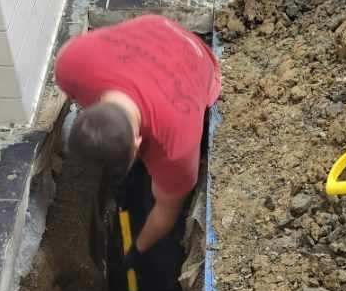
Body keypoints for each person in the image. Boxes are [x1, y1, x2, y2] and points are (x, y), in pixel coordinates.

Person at [54, 14, 221, 270]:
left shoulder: (177, 143)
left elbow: (166, 213)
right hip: (150, 31)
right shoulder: (70, 66)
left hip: (191, 57)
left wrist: (135, 253)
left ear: (139, 143)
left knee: (155, 200)